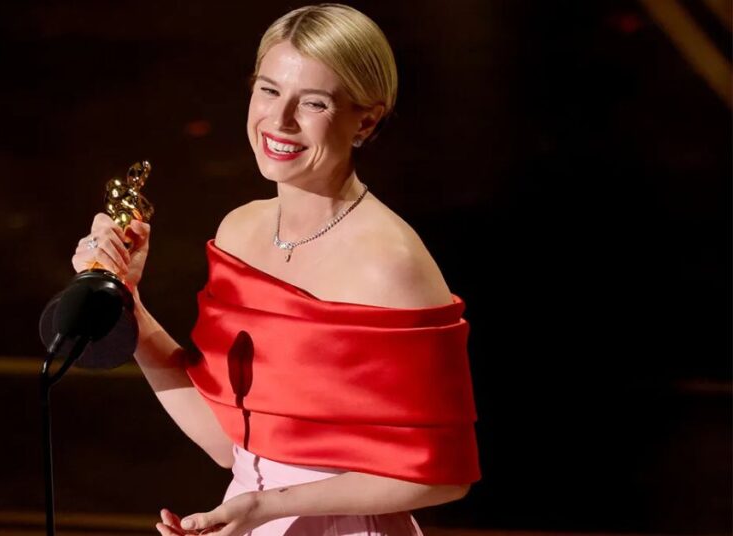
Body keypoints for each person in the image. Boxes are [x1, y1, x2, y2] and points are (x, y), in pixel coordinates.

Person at [71, 4, 480, 535]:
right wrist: (129, 304)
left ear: (366, 120)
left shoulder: (390, 262)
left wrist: (268, 505)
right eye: (268, 90)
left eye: (313, 102)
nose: (280, 120)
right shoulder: (240, 231)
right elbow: (228, 443)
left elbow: (445, 476)